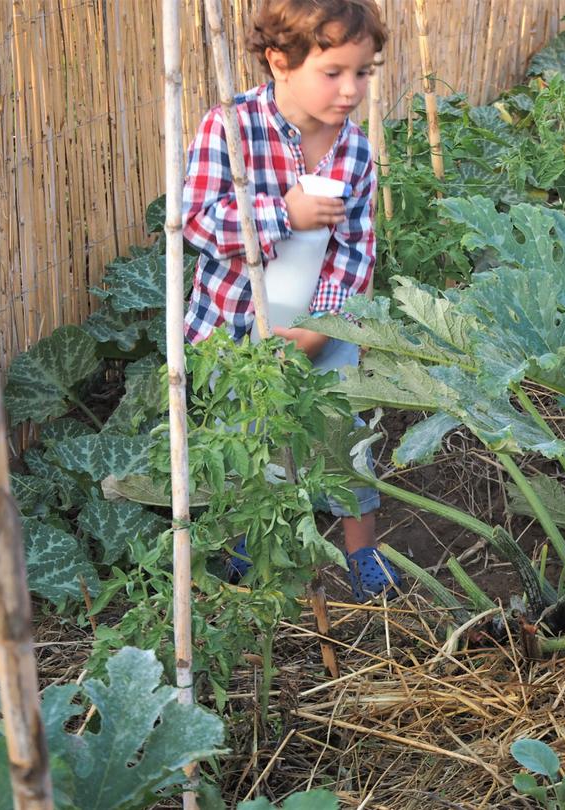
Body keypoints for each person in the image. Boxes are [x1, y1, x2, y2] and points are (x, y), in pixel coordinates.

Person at [181, 0, 399, 602]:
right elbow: (196, 224)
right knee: (246, 435)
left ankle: (362, 551)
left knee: (342, 434)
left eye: (363, 72)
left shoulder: (353, 150)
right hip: (233, 325)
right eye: (334, 73)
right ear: (279, 60)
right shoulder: (231, 127)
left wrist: (319, 327)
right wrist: (284, 214)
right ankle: (250, 542)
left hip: (322, 323)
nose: (351, 89)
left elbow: (355, 249)